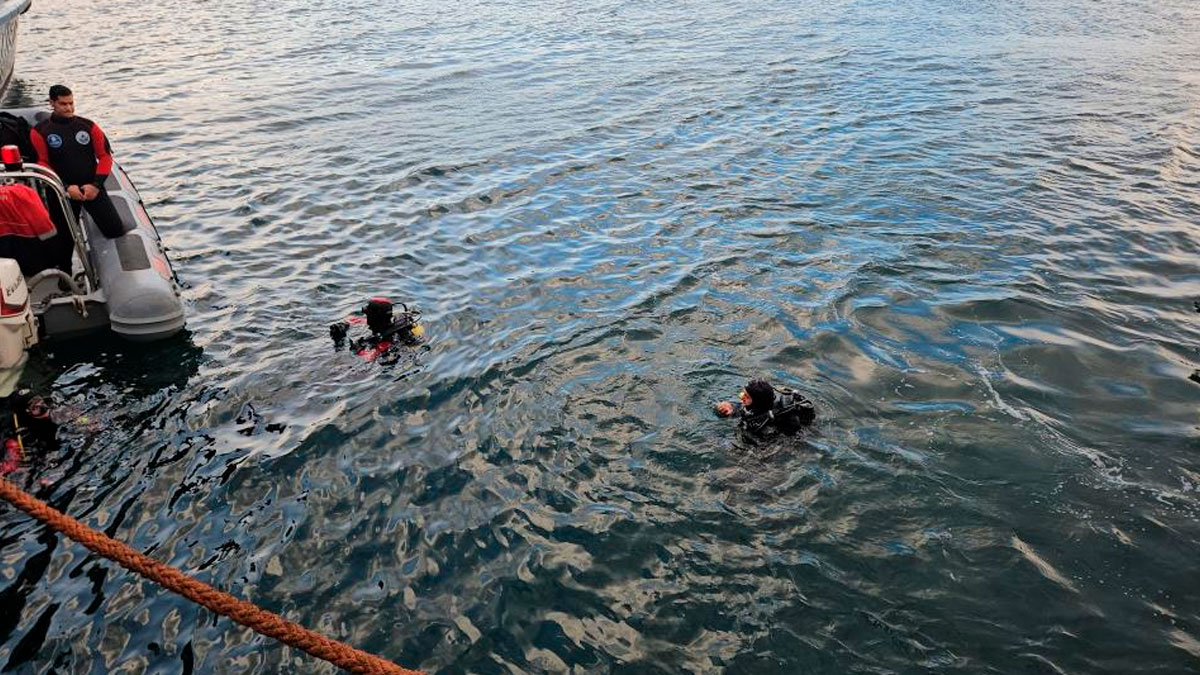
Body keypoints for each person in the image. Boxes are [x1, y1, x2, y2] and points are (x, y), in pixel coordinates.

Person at [28, 85, 127, 274]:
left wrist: (96, 185)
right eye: (63, 104)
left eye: (71, 103)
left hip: (91, 188)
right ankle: (65, 274)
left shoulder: (88, 126)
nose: (69, 108)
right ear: (52, 103)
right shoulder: (40, 131)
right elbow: (42, 162)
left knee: (115, 229)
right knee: (63, 239)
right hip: (61, 191)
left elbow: (105, 157)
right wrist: (65, 188)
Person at [330, 297, 425, 361]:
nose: (366, 316)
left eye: (368, 314)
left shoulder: (386, 340)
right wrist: (344, 324)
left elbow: (369, 358)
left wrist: (358, 350)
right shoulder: (383, 322)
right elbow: (354, 320)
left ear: (374, 317)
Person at [715, 378, 816, 435]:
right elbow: (744, 410)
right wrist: (730, 409)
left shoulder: (765, 422)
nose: (741, 397)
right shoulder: (759, 406)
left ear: (757, 401)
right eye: (743, 393)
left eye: (747, 396)